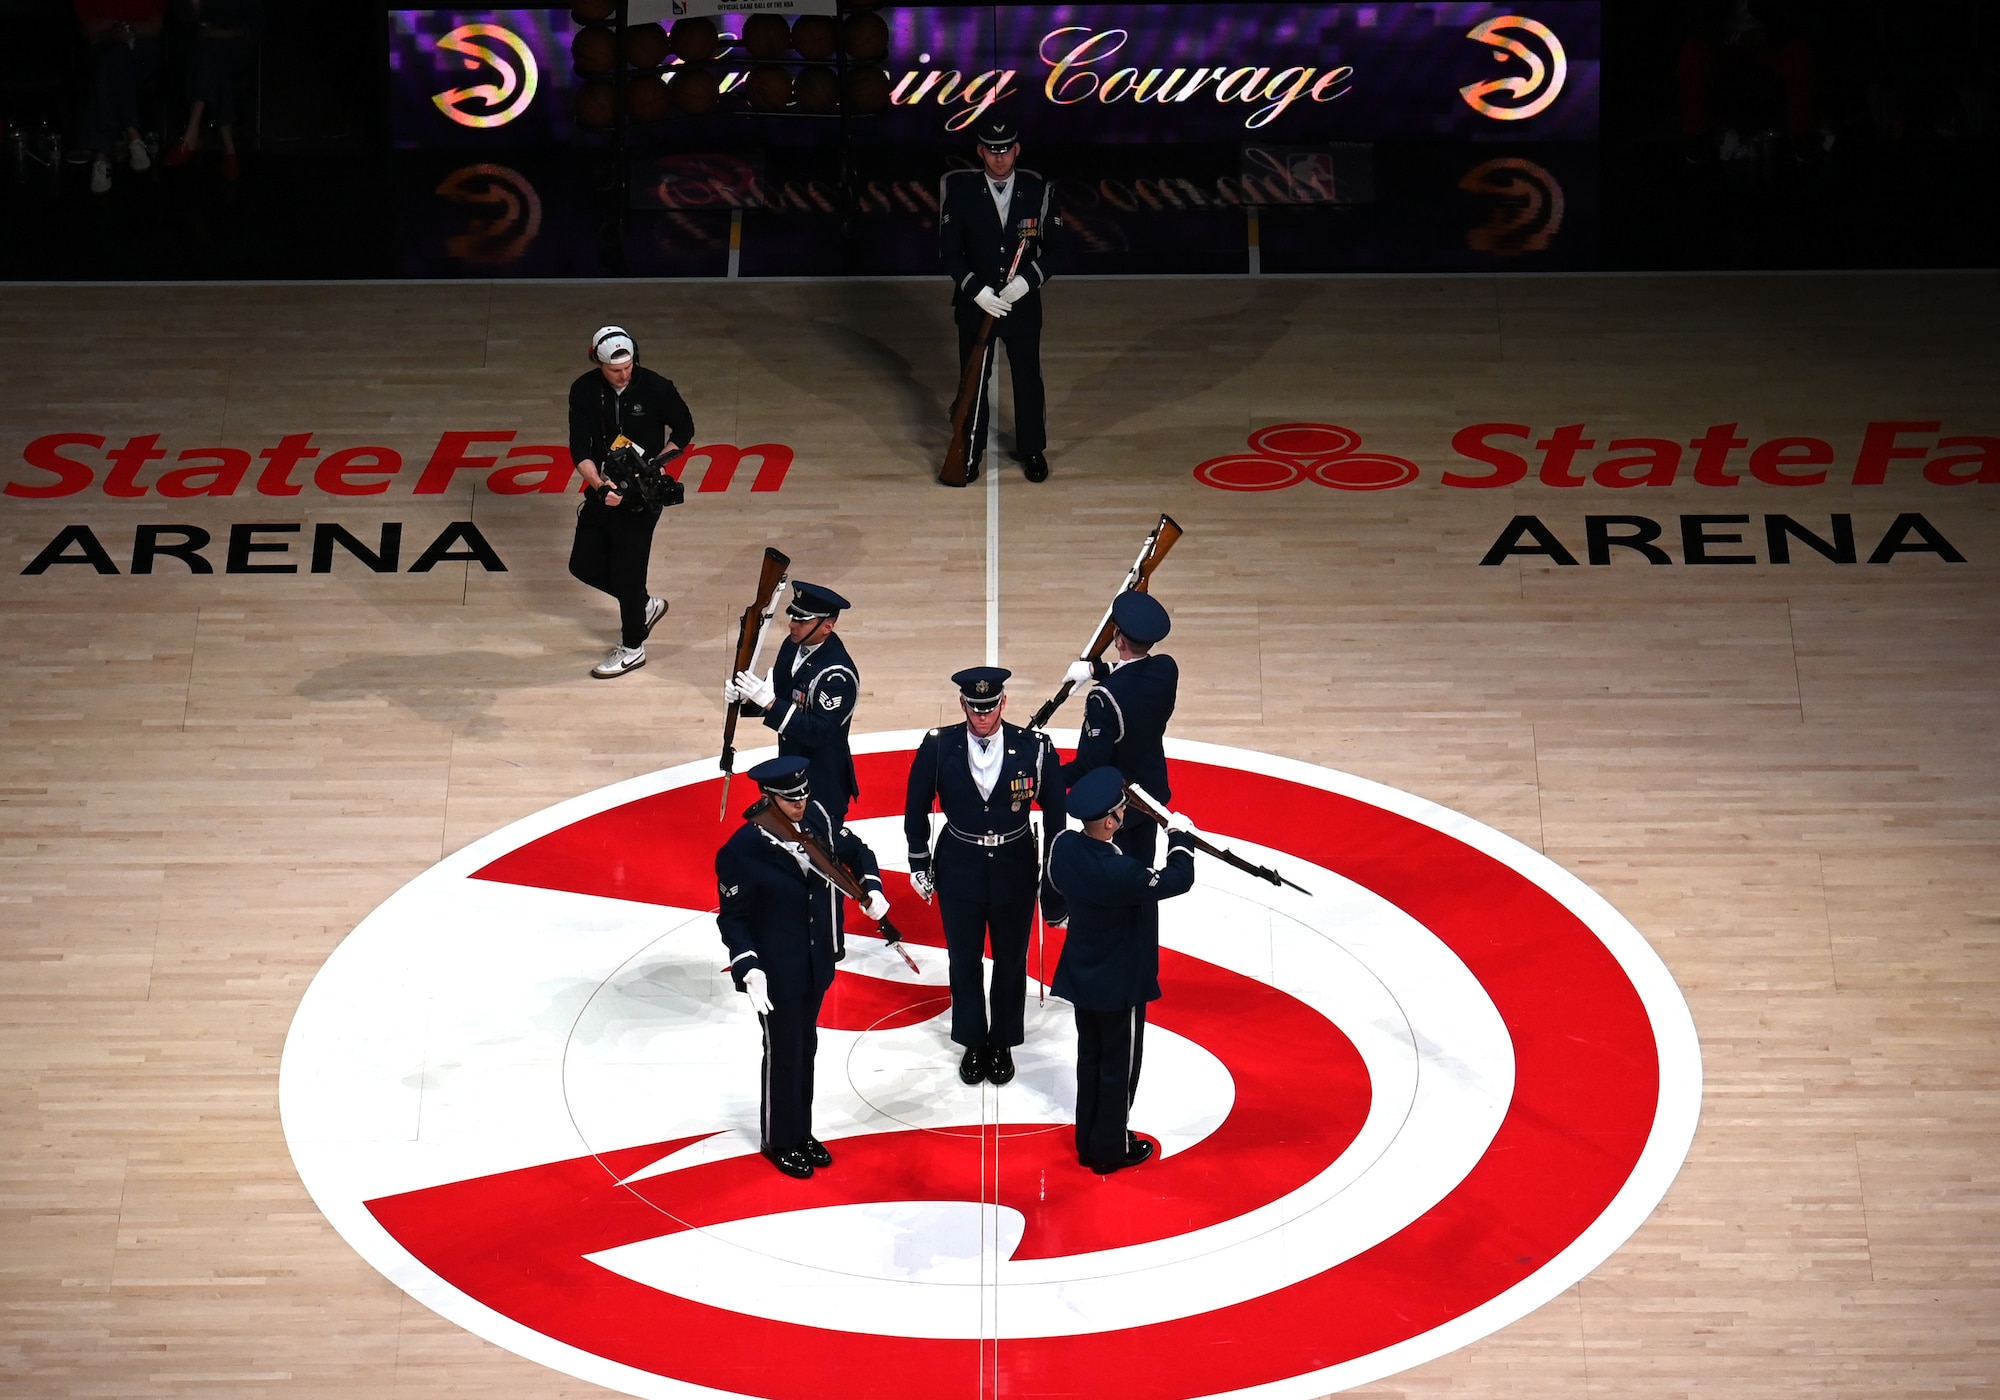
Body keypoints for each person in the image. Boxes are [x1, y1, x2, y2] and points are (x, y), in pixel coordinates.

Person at [715, 756, 890, 1179]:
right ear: (767, 798)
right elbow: (733, 919)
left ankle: (801, 1131)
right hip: (776, 973)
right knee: (782, 1053)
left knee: (805, 1047)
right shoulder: (742, 851)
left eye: (803, 795)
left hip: (816, 962)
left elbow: (857, 851)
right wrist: (748, 966)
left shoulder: (819, 818)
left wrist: (872, 884)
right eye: (790, 799)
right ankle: (779, 1139)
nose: (800, 804)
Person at [902, 667, 1067, 1087]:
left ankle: (1004, 1040)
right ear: (962, 705)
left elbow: (1055, 817)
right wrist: (919, 861)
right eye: (974, 709)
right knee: (964, 959)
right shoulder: (939, 747)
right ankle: (974, 1040)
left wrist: (1054, 880)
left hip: (1014, 865)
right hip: (960, 866)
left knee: (1011, 960)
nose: (982, 716)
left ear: (1003, 704)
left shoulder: (1035, 748)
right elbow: (916, 806)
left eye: (989, 707)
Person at [1047, 766, 1195, 1175]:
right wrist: (1180, 839)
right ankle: (1110, 1148)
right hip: (1119, 982)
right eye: (1120, 812)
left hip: (1083, 975)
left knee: (1090, 1058)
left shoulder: (1064, 847)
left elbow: (1057, 891)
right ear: (1111, 821)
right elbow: (1177, 879)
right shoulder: (1120, 873)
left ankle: (1089, 1139)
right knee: (1119, 1067)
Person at [566, 325, 694, 679]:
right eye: (615, 370)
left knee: (628, 569)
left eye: (628, 367)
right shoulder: (583, 390)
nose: (624, 374)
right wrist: (598, 483)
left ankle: (633, 647)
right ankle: (642, 605)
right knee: (582, 565)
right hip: (602, 487)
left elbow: (684, 430)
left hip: (643, 494)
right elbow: (579, 445)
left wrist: (656, 464)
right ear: (598, 363)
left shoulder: (657, 387)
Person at [938, 115, 1060, 483]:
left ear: (1017, 149)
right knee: (973, 379)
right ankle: (970, 451)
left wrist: (1027, 283)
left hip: (1021, 304)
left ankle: (1032, 449)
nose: (1000, 158)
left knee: (1027, 378)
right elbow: (949, 252)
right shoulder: (960, 194)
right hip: (978, 307)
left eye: (1006, 150)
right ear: (980, 152)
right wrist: (976, 291)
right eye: (992, 151)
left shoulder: (1039, 190)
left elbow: (1055, 251)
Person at [729, 581, 861, 830]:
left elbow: (817, 732)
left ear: (827, 627)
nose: (792, 625)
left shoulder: (837, 676)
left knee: (821, 853)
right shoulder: (792, 647)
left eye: (802, 621)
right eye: (793, 618)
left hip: (822, 781)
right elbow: (780, 697)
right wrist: (746, 699)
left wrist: (767, 701)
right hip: (791, 772)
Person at [1060, 590, 1178, 867]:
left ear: (1118, 639)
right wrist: (1093, 671)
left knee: (1116, 878)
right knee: (1143, 873)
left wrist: (1047, 774)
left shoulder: (1104, 699)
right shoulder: (1167, 668)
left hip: (1118, 804)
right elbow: (1134, 669)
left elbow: (1089, 766)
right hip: (1152, 792)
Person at [75, 0, 165, 195]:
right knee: (111, 60)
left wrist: (127, 28)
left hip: (141, 48)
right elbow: (89, 29)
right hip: (102, 47)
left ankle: (102, 155)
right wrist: (114, 29)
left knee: (111, 64)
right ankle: (132, 132)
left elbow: (155, 27)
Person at [164, 0, 261, 180]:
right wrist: (195, 5)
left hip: (234, 46)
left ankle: (191, 134)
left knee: (210, 55)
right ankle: (229, 148)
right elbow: (182, 24)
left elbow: (254, 25)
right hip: (201, 49)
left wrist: (221, 34)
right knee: (213, 63)